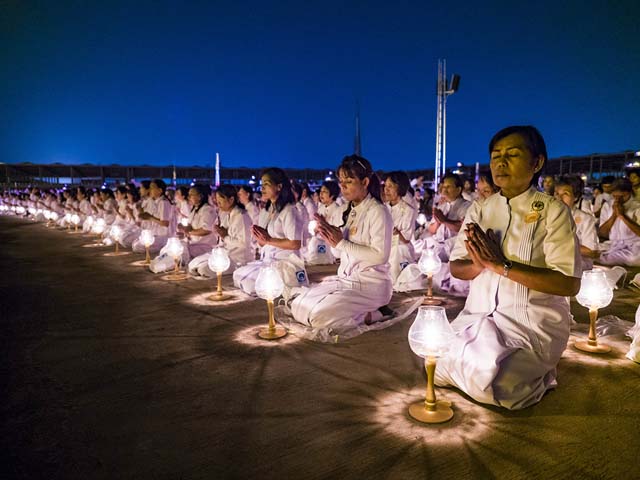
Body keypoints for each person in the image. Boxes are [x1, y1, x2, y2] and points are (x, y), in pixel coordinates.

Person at [435, 125, 581, 410]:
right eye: (495, 156)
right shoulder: (480, 209)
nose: (500, 163)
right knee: (435, 361)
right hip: (478, 317)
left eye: (512, 155)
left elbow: (568, 284)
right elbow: (456, 267)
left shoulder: (552, 211)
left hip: (530, 326)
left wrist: (502, 265)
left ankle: (541, 369)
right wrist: (480, 264)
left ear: (536, 163)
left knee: (501, 387)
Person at [289, 154, 393, 334]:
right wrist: (328, 233)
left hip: (369, 286)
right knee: (298, 305)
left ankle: (374, 314)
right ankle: (361, 311)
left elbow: (380, 255)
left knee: (317, 317)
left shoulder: (378, 211)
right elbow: (339, 254)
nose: (342, 186)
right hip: (346, 281)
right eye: (341, 181)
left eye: (349, 181)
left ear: (365, 182)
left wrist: (342, 242)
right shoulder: (349, 211)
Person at [233, 168, 307, 294]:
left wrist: (269, 239)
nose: (262, 188)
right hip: (267, 260)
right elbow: (263, 244)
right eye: (261, 184)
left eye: (266, 184)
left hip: (285, 262)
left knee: (250, 284)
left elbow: (295, 243)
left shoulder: (289, 210)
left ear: (279, 187)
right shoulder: (265, 211)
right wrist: (259, 236)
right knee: (238, 274)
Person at [189, 184, 253, 277]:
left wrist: (225, 236)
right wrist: (219, 232)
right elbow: (222, 236)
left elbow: (243, 244)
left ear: (231, 200)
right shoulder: (228, 215)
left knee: (203, 269)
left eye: (220, 202)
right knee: (193, 264)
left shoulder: (241, 216)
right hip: (225, 253)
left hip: (238, 259)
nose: (218, 205)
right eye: (217, 202)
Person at [554, 176, 599, 270]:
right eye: (557, 194)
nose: (559, 198)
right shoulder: (549, 216)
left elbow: (591, 252)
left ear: (576, 197)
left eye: (565, 194)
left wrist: (561, 245)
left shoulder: (586, 219)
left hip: (578, 262)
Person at [426, 173, 471, 261]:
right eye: (444, 187)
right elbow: (431, 230)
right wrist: (437, 221)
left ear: (458, 190)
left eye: (448, 187)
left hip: (454, 249)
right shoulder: (442, 206)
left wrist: (444, 220)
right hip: (437, 247)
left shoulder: (467, 206)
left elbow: (463, 228)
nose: (444, 190)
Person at [384, 171, 417, 285]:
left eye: (390, 186)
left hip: (400, 248)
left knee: (400, 281)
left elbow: (406, 238)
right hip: (383, 246)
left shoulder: (408, 210)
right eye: (385, 186)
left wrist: (395, 232)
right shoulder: (382, 208)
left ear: (400, 187)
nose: (386, 190)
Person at [598, 178, 640, 266]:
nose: (617, 199)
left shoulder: (637, 206)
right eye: (615, 196)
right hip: (612, 245)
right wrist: (614, 215)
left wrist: (622, 216)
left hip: (633, 247)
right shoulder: (607, 205)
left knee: (633, 259)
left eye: (621, 196)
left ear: (629, 193)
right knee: (588, 253)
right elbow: (602, 233)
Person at [305, 180, 342, 265]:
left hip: (329, 246)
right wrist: (315, 229)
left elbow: (336, 230)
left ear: (332, 195)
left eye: (324, 192)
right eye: (321, 191)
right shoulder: (321, 208)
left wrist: (322, 225)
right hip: (318, 242)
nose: (321, 194)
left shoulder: (337, 210)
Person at [133, 179, 175, 253]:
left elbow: (165, 223)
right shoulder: (156, 202)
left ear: (160, 190)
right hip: (155, 233)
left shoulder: (163, 202)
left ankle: (164, 246)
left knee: (137, 246)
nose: (150, 190)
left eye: (152, 188)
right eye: (150, 187)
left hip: (163, 236)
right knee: (135, 243)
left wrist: (150, 217)